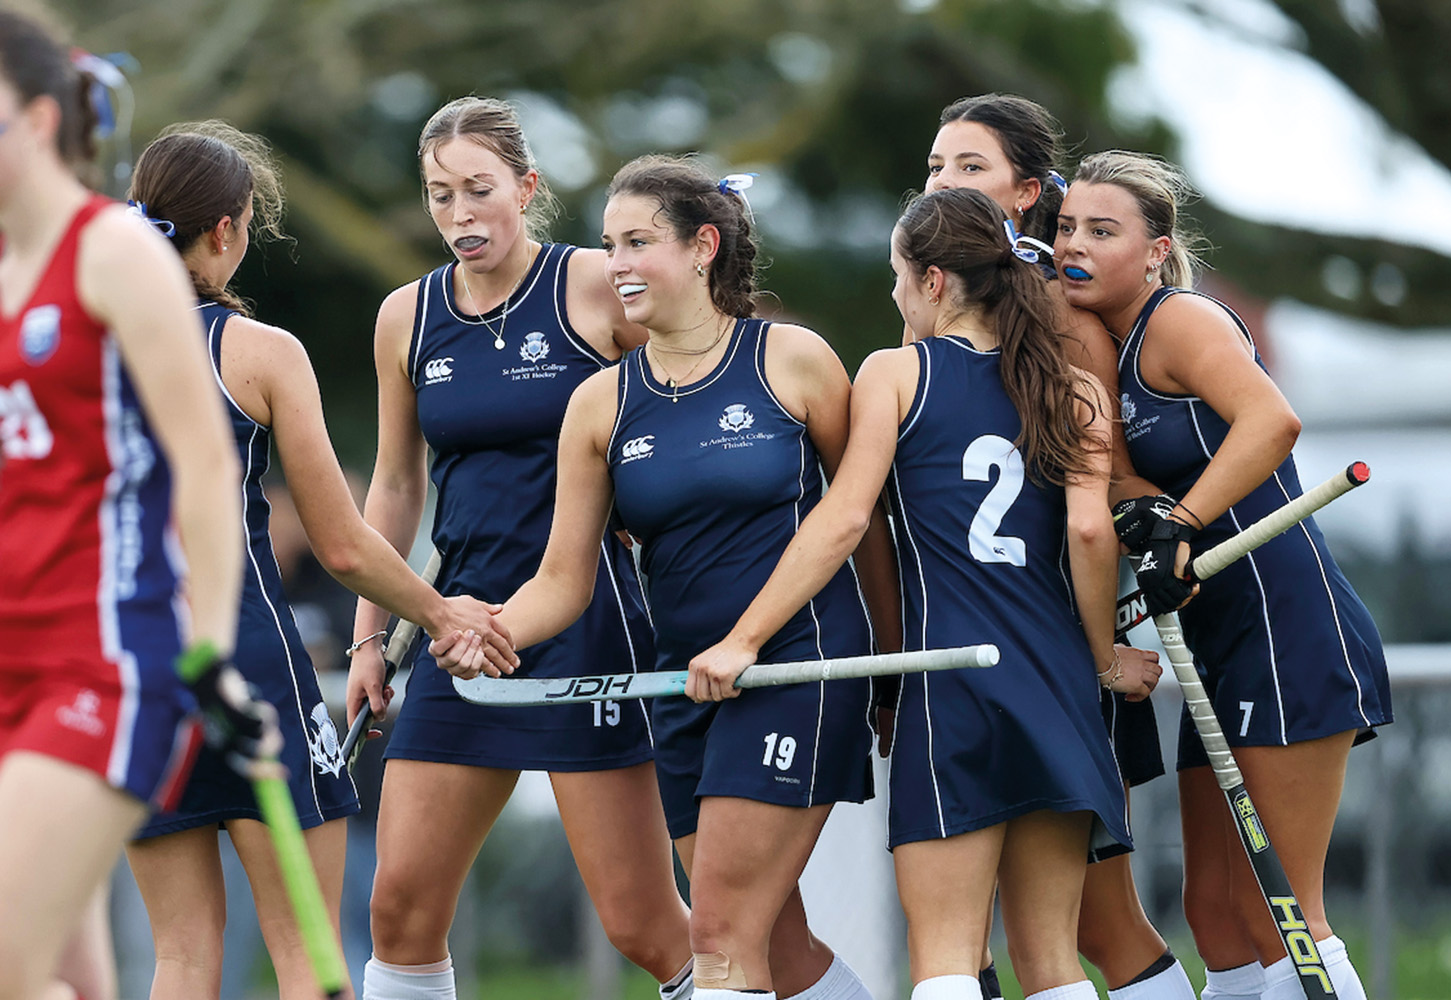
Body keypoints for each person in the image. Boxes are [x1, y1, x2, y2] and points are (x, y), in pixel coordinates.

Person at [436, 153, 895, 1000]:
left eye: (638, 241)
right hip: (685, 684)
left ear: (702, 247)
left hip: (796, 665)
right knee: (776, 945)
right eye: (609, 244)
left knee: (717, 935)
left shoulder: (792, 359)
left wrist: (885, 676)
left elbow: (862, 525)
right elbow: (563, 582)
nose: (615, 264)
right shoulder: (599, 403)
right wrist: (488, 631)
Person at [685, 186, 1152, 1000]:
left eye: (898, 275)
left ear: (933, 281)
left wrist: (745, 636)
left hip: (954, 685)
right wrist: (1105, 658)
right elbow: (1089, 534)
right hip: (1056, 685)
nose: (894, 293)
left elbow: (843, 521)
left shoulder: (898, 372)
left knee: (944, 958)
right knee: (1052, 963)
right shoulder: (1074, 388)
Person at [119, 121, 513, 1000]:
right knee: (309, 954)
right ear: (227, 229)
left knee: (180, 958)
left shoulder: (82, 356)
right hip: (251, 670)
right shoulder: (259, 353)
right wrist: (442, 612)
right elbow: (341, 544)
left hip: (136, 677)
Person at [345, 98, 693, 1000]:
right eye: (438, 195)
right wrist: (369, 637)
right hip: (457, 630)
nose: (459, 215)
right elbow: (393, 484)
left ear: (527, 188)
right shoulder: (406, 317)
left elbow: (686, 397)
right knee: (401, 909)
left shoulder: (591, 285)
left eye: (478, 190)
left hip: (588, 621)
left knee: (643, 927)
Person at [1054, 150, 1392, 1000]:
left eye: (1103, 231)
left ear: (1158, 250)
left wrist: (1181, 521)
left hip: (1284, 622)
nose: (1075, 246)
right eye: (1065, 229)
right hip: (1217, 633)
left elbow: (1273, 423)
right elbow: (1132, 480)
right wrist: (1143, 507)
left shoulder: (1179, 322)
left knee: (1284, 910)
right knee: (1213, 907)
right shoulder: (1115, 350)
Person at [0, 13, 276, 1000]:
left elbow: (205, 469)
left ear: (35, 120)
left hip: (103, 656)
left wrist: (207, 652)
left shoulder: (113, 252)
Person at [924, 94, 1193, 1000]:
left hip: (1056, 654)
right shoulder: (934, 310)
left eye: (971, 168)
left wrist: (1098, 655)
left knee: (1099, 926)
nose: (944, 183)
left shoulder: (1056, 317)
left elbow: (1109, 493)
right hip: (983, 663)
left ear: (1029, 191)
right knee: (995, 940)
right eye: (935, 168)